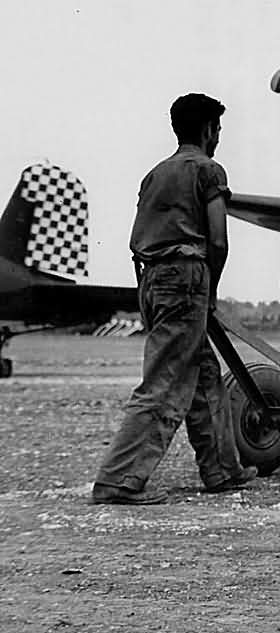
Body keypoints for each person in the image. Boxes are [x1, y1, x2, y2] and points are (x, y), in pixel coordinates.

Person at [91, 93, 253, 505]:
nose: (219, 137)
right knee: (164, 381)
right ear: (208, 130)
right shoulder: (208, 170)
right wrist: (210, 289)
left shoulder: (155, 174)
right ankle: (117, 480)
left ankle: (222, 470)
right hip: (186, 277)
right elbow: (218, 239)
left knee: (203, 373)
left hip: (151, 278)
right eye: (218, 128)